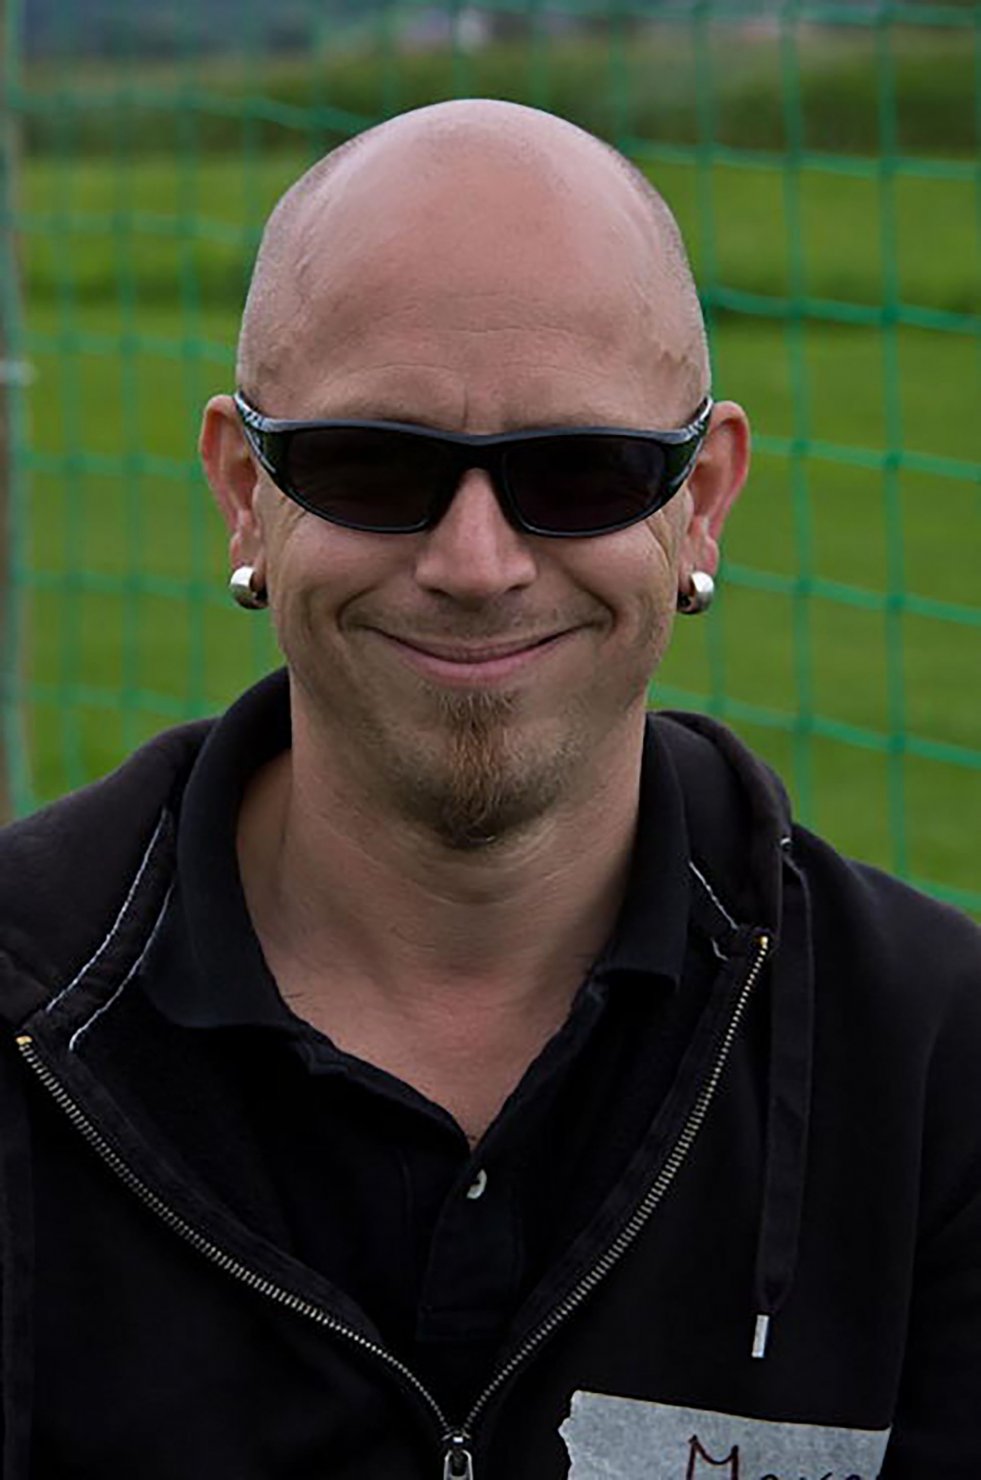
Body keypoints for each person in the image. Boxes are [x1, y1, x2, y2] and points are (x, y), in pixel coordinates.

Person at [0, 100, 978, 1480]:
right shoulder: (24, 1014)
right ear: (243, 490)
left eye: (580, 473)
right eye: (371, 465)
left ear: (701, 499)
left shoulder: (935, 1066)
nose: (476, 564)